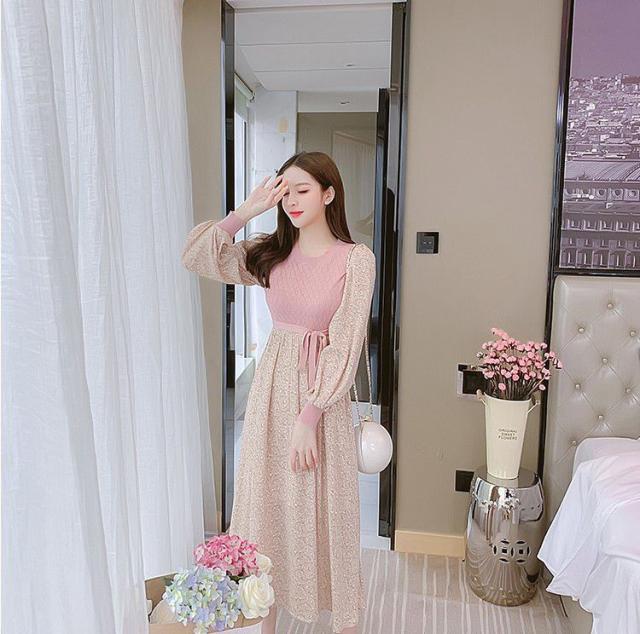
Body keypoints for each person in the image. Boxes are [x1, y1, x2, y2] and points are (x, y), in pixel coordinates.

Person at [181, 150, 376, 634]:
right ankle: (263, 620)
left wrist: (310, 416)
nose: (291, 201)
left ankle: (341, 619)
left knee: (323, 504)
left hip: (320, 398)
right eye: (285, 191)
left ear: (329, 194)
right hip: (271, 390)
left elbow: (346, 342)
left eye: (302, 190)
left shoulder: (356, 260)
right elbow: (197, 256)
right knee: (265, 505)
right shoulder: (271, 252)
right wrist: (246, 211)